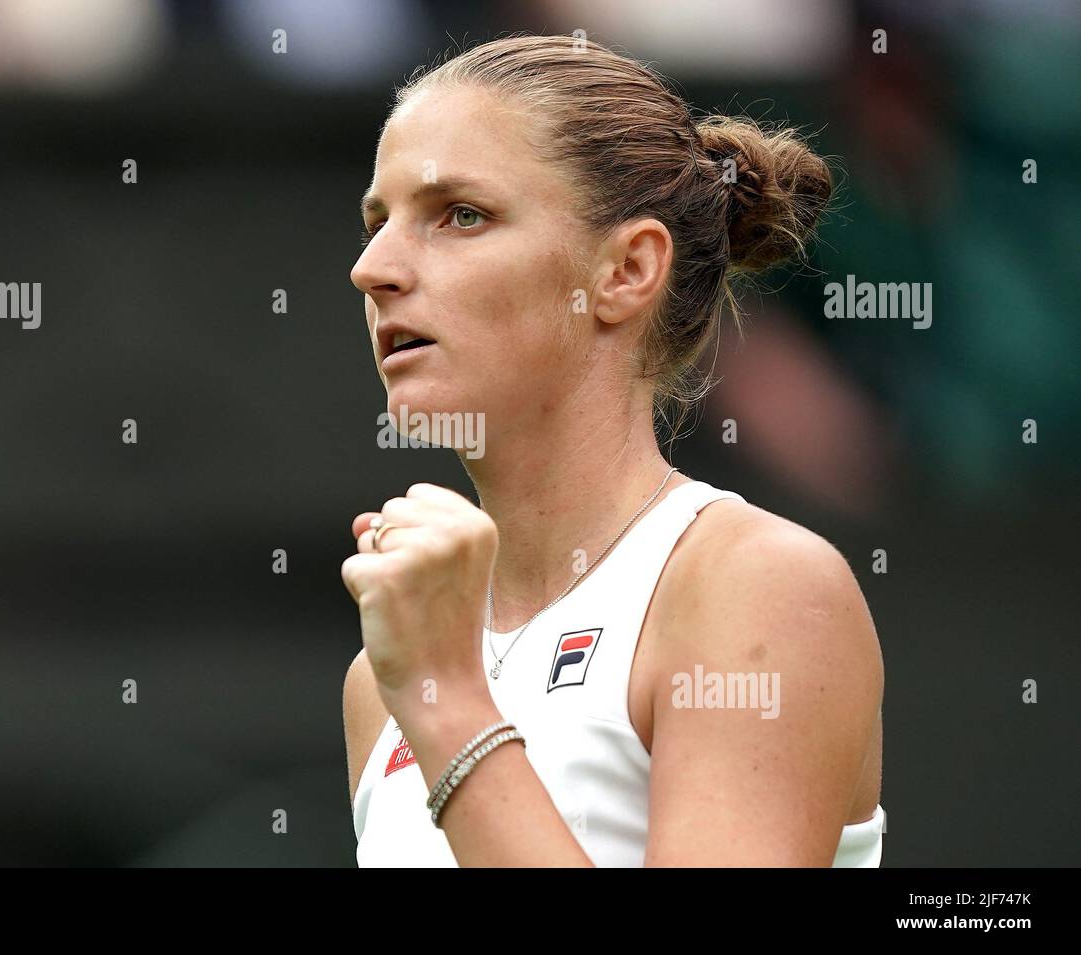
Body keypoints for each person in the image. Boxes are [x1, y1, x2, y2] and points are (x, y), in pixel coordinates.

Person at [340, 34, 884, 867]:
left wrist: (449, 702)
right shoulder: (379, 680)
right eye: (379, 222)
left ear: (627, 269)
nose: (372, 268)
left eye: (461, 215)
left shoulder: (760, 584)